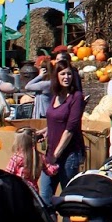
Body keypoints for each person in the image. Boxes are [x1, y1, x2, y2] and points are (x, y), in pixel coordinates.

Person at [38, 63, 85, 198]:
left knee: (68, 197)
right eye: (63, 74)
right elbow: (57, 120)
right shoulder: (56, 96)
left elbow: (70, 128)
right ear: (56, 76)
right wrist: (46, 131)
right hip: (51, 153)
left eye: (69, 74)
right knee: (45, 197)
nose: (66, 77)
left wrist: (56, 155)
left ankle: (68, 220)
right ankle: (49, 219)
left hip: (68, 156)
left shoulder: (76, 97)